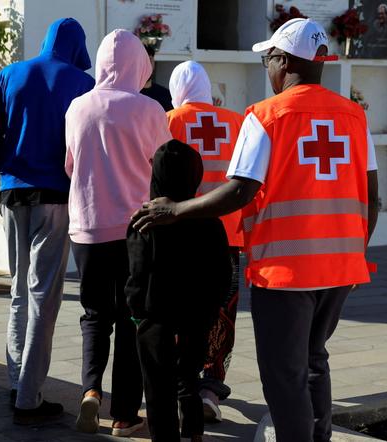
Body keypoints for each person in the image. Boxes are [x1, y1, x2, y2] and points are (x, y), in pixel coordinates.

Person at [131, 18, 379, 441]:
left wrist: (176, 209)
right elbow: (372, 198)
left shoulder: (266, 116)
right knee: (314, 361)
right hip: (340, 270)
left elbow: (239, 192)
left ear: (283, 61)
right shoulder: (354, 116)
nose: (267, 66)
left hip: (286, 273)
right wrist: (354, 253)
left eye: (268, 58)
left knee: (285, 377)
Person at [0, 18, 95, 425]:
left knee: (18, 292)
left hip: (12, 195)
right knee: (45, 297)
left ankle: (17, 384)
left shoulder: (10, 74)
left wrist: (9, 167)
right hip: (55, 199)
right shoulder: (82, 83)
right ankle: (28, 398)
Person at [65, 29, 171, 437]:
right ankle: (125, 415)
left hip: (87, 229)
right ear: (138, 64)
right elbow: (162, 169)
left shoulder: (76, 108)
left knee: (94, 315)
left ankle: (91, 392)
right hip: (137, 232)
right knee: (131, 320)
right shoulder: (149, 110)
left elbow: (70, 166)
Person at [126, 140, 231, 442]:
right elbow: (223, 273)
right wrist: (211, 309)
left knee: (158, 386)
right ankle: (194, 432)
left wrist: (135, 314)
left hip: (154, 317)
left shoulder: (144, 220)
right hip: (197, 314)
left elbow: (137, 274)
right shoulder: (210, 221)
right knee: (188, 377)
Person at [165, 60, 244, 423]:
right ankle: (211, 389)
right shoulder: (236, 121)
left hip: (182, 236)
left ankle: (182, 386)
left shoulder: (170, 120)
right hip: (227, 236)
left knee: (182, 311)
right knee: (222, 312)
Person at [140, 45, 173, 112]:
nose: (148, 64)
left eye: (150, 59)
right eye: (144, 60)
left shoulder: (166, 95)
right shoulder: (130, 95)